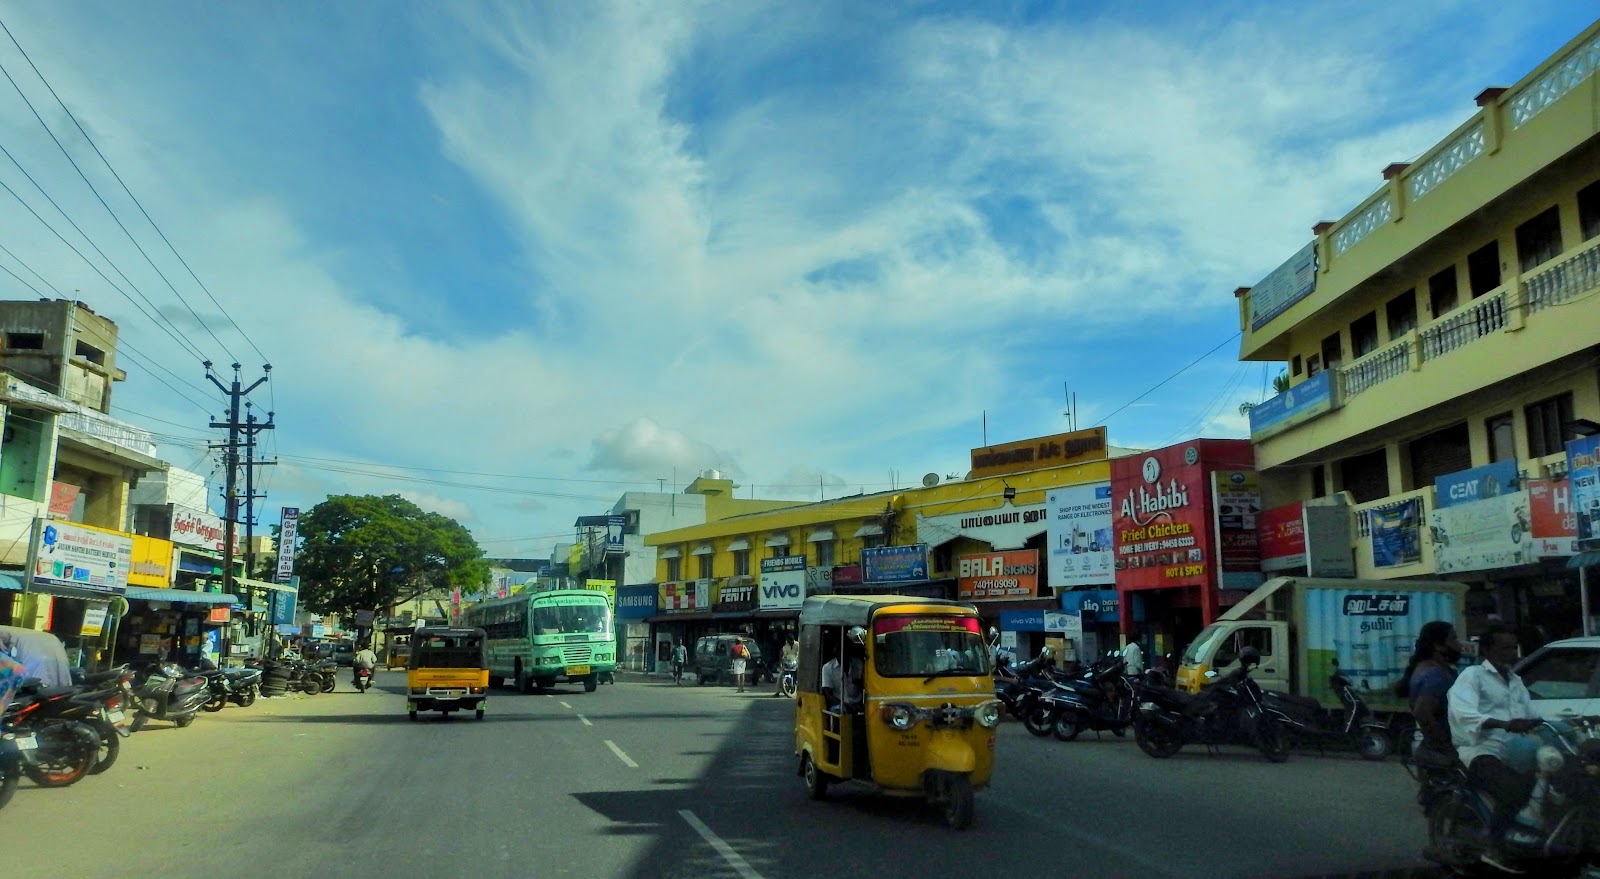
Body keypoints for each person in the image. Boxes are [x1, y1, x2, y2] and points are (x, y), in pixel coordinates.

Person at [1447, 624, 1541, 871]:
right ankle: (1494, 846)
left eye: (1514, 647)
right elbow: (1463, 713)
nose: (1511, 653)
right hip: (1481, 749)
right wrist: (1504, 724)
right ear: (1487, 650)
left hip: (1518, 748)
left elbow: (1532, 714)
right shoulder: (1472, 676)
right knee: (1512, 790)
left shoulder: (1515, 679)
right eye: (1505, 647)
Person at [1395, 620, 1462, 758]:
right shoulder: (1435, 675)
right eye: (1453, 638)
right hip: (1441, 754)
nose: (1459, 644)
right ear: (1438, 645)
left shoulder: (1438, 670)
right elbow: (1422, 712)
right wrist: (1445, 747)